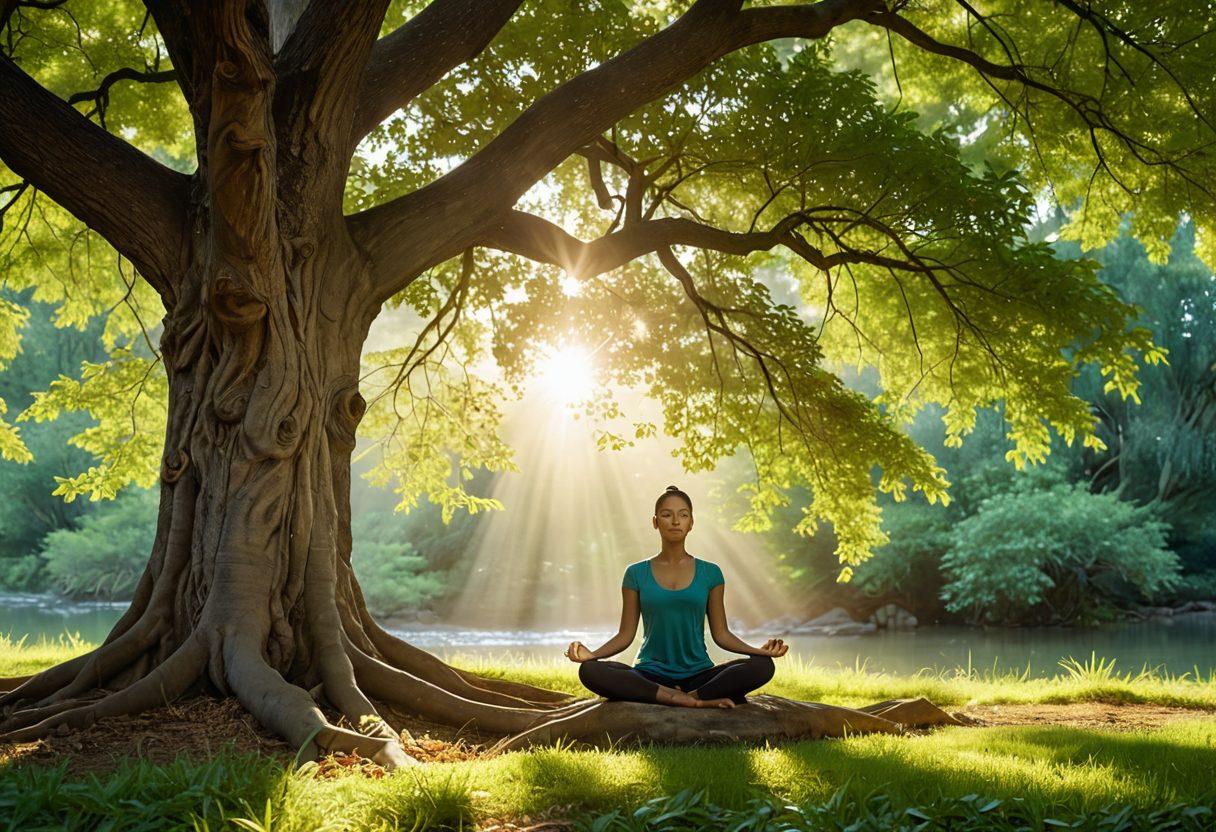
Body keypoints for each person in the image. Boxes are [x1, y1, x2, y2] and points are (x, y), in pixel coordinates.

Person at [565, 485, 788, 708]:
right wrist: (591, 655)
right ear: (655, 522)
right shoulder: (635, 573)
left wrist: (759, 651)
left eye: (683, 515)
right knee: (590, 670)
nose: (675, 521)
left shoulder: (710, 573)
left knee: (763, 666)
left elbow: (722, 634)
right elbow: (625, 635)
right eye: (666, 515)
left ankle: (689, 695)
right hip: (650, 675)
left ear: (691, 523)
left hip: (699, 675)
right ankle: (690, 700)